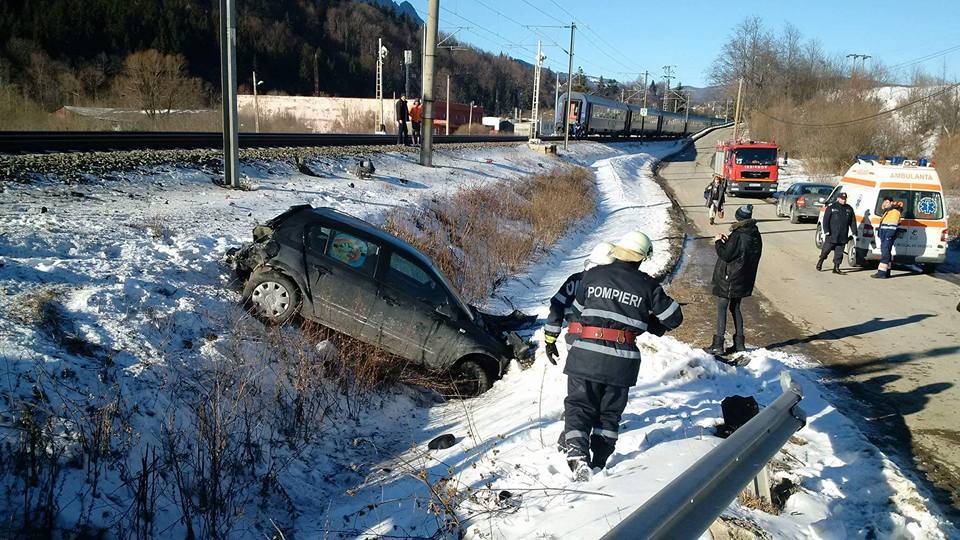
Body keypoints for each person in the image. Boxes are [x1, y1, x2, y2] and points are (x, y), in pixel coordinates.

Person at [560, 231, 683, 479]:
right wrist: (648, 321)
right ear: (643, 257)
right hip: (621, 360)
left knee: (579, 405)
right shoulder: (647, 285)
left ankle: (577, 453)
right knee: (609, 412)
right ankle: (600, 462)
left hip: (586, 354)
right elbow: (674, 318)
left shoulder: (592, 276)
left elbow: (575, 314)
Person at [705, 205, 762, 356]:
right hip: (744, 278)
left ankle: (718, 345)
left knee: (722, 308)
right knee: (735, 308)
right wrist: (727, 241)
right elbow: (740, 252)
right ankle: (739, 344)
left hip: (731, 278)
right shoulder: (754, 233)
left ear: (739, 218)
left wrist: (718, 241)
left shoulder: (739, 234)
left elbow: (726, 255)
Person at [544, 242, 615, 364]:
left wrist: (550, 341)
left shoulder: (575, 281)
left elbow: (557, 307)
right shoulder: (614, 285)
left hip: (576, 340)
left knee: (580, 378)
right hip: (608, 340)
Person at [817, 192, 857, 274]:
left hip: (842, 235)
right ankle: (820, 261)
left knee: (839, 253)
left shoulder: (849, 209)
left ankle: (836, 267)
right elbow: (826, 220)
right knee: (825, 251)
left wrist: (854, 231)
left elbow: (852, 221)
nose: (843, 201)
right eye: (842, 199)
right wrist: (826, 230)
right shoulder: (832, 207)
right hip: (832, 234)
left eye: (845, 199)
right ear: (838, 198)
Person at [873, 197, 902, 279]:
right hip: (885, 235)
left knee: (885, 253)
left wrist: (888, 236)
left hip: (888, 236)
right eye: (884, 202)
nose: (885, 204)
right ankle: (887, 271)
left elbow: (892, 226)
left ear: (892, 203)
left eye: (887, 202)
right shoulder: (888, 211)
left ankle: (881, 273)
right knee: (887, 253)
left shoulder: (894, 212)